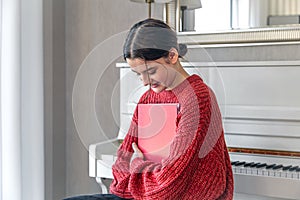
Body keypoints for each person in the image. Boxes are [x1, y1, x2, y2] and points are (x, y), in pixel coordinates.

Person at [64, 18, 233, 200]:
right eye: (138, 75)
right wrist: (145, 181)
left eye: (151, 71)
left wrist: (137, 165)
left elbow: (167, 186)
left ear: (172, 56)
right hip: (147, 194)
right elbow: (120, 168)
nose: (145, 82)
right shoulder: (148, 97)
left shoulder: (197, 98)